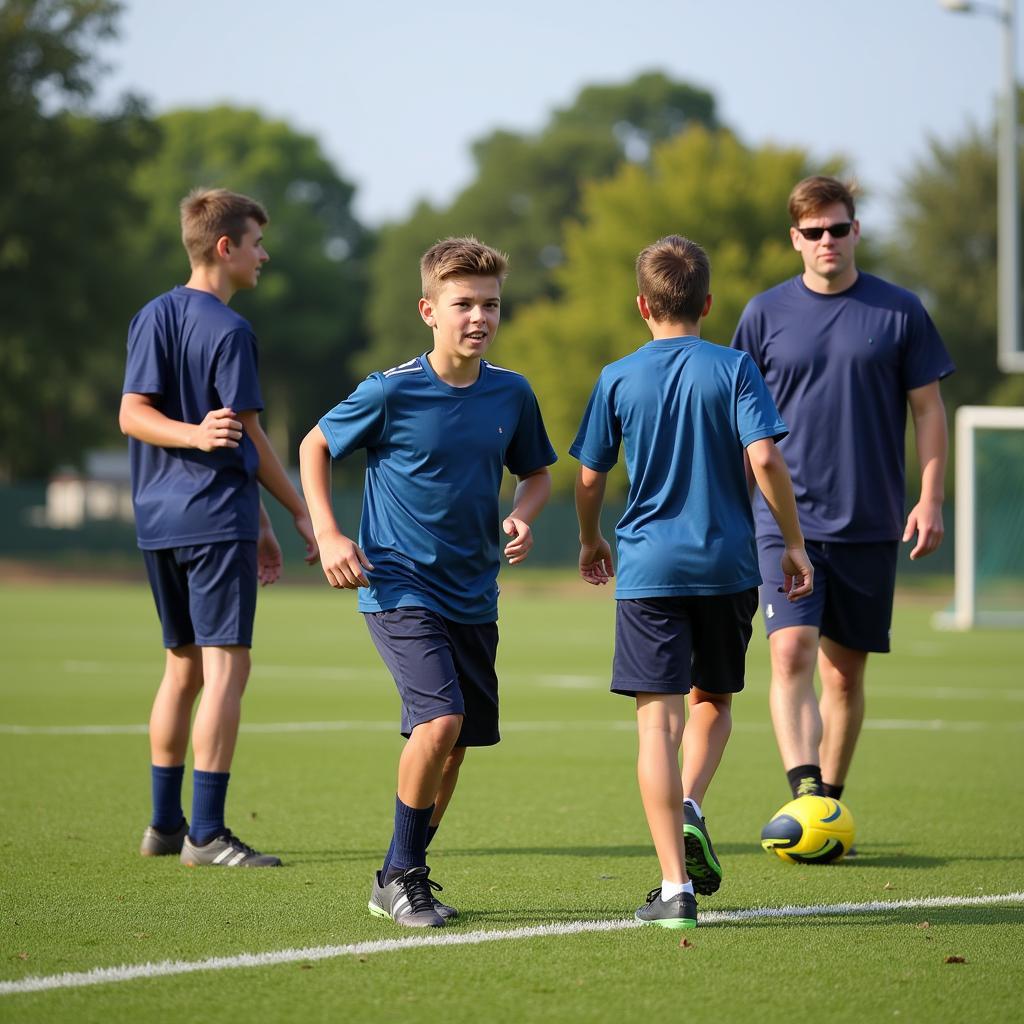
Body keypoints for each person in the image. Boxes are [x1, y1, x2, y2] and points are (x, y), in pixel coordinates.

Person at [298, 237, 556, 928]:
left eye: (491, 304)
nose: (479, 316)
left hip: (474, 592)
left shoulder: (513, 392)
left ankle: (397, 872)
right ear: (428, 310)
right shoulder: (392, 389)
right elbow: (315, 444)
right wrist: (327, 533)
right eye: (463, 303)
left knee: (458, 740)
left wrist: (524, 516)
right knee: (440, 720)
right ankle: (404, 875)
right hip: (398, 584)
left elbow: (537, 473)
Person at [571, 235, 813, 928]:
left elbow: (589, 476)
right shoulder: (735, 367)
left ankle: (675, 890)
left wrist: (592, 539)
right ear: (707, 303)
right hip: (730, 567)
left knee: (656, 724)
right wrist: (792, 544)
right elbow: (764, 458)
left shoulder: (618, 375)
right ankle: (690, 803)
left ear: (642, 304)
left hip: (649, 569)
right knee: (714, 698)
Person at [732, 175, 954, 820]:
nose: (826, 240)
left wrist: (931, 496)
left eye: (837, 228)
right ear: (795, 240)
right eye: (813, 232)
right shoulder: (763, 315)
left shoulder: (900, 310)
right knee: (791, 650)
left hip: (869, 520)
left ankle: (830, 799)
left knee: (843, 674)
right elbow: (738, 422)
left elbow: (929, 410)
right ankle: (806, 792)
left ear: (856, 231)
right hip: (782, 521)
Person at [120, 187, 318, 868]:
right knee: (228, 668)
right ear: (225, 247)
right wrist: (298, 509)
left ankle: (164, 825)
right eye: (257, 243)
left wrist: (258, 517)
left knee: (182, 668)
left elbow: (134, 414)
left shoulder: (151, 315)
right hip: (213, 521)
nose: (264, 256)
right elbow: (248, 440)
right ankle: (206, 833)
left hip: (161, 521)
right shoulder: (230, 330)